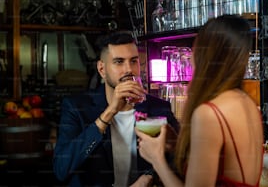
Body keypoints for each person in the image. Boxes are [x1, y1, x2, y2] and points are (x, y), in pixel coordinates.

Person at [135, 15, 264, 187]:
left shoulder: (209, 113)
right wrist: (176, 145)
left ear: (204, 54)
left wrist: (156, 159)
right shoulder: (246, 102)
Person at [53, 31, 179, 187]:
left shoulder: (158, 108)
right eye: (119, 62)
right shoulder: (76, 108)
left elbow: (178, 159)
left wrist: (149, 176)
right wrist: (109, 112)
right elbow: (61, 169)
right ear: (102, 69)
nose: (129, 70)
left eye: (134, 61)